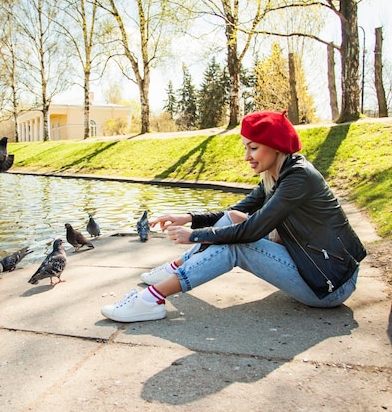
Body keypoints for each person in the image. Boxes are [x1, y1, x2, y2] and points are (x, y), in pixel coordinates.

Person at [101, 110, 367, 323]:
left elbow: (252, 231)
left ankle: (150, 300)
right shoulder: (275, 176)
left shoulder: (298, 179)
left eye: (253, 148)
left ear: (274, 146)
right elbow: (233, 213)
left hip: (329, 284)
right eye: (246, 148)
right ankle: (176, 268)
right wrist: (187, 217)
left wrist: (194, 235)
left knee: (237, 247)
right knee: (231, 220)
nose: (246, 157)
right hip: (311, 268)